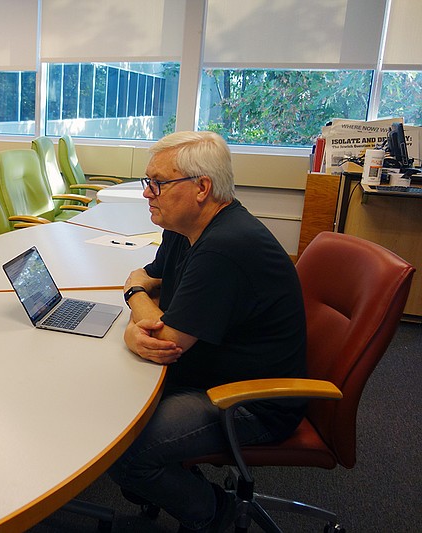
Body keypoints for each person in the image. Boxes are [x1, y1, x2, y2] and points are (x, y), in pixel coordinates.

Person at [108, 131, 307, 532]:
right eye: (148, 182)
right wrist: (141, 300)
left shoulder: (225, 247)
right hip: (210, 370)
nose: (148, 193)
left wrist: (133, 298)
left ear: (202, 187)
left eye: (158, 183)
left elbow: (162, 341)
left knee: (122, 449)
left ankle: (217, 514)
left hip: (251, 400)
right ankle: (177, 489)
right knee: (109, 403)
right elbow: (154, 279)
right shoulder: (185, 229)